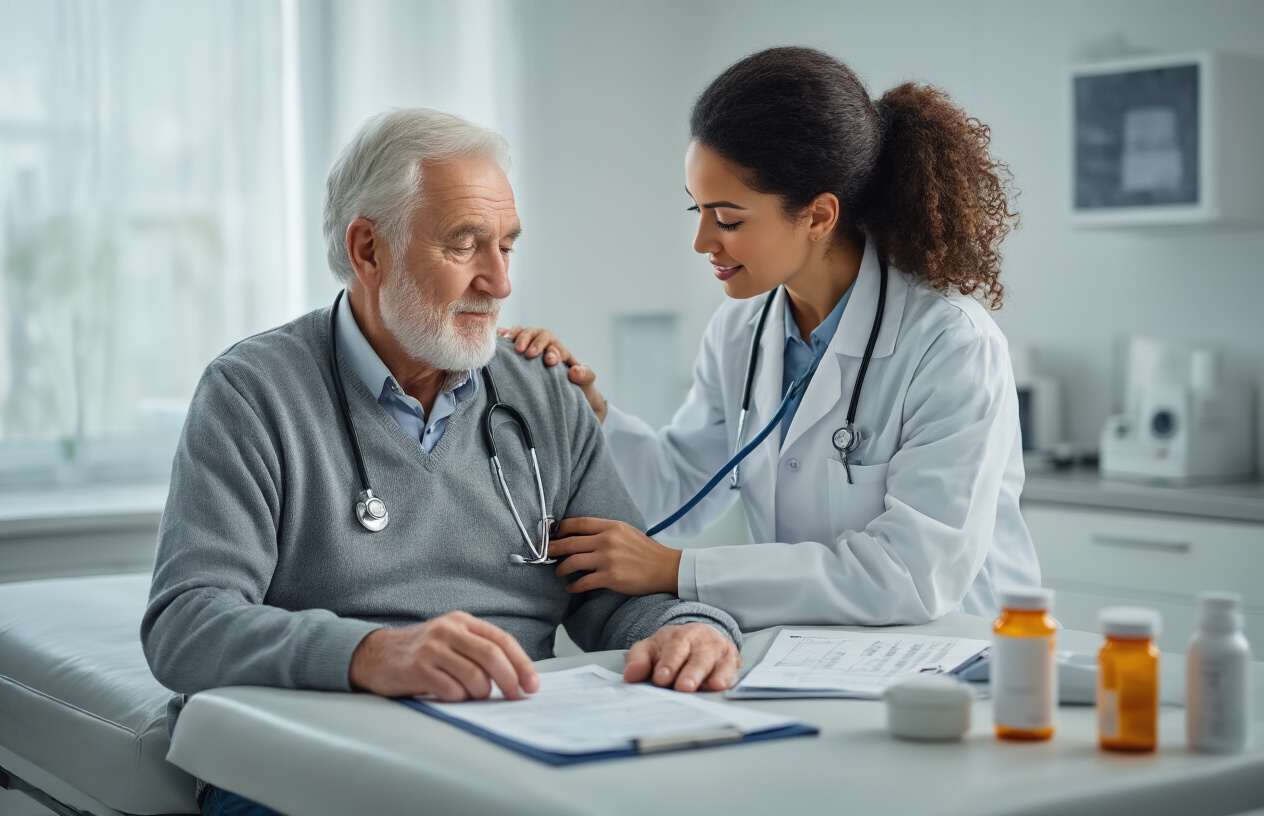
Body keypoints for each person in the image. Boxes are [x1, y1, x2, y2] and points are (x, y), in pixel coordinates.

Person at [142, 108, 741, 816]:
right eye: (465, 245)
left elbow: (618, 591)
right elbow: (186, 623)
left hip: (507, 748)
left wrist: (690, 632)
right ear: (368, 250)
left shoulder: (542, 392)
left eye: (507, 247)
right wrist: (370, 654)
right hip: (308, 750)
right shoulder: (254, 392)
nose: (499, 282)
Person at [504, 46, 1040, 632]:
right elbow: (680, 488)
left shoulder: (950, 344)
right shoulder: (742, 328)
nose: (702, 240)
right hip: (805, 658)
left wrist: (680, 573)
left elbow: (909, 576)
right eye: (698, 210)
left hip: (954, 660)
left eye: (729, 219)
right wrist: (592, 414)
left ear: (817, 216)